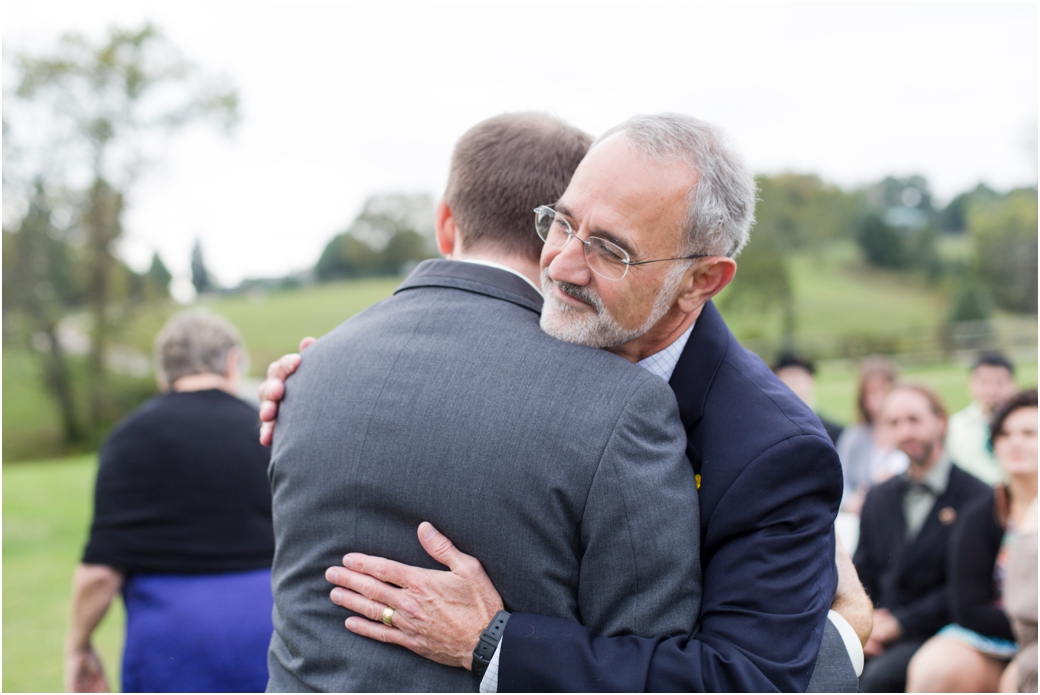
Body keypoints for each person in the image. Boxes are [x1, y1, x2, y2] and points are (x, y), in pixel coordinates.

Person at [264, 113, 870, 691]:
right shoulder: (572, 329)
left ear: (700, 281)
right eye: (561, 221)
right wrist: (317, 375)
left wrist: (492, 642)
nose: (560, 264)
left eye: (611, 250)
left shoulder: (773, 451)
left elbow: (744, 683)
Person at [65, 311, 274, 693]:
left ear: (164, 373)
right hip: (272, 639)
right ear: (232, 363)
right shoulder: (272, 431)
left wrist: (77, 648)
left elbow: (100, 574)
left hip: (169, 654)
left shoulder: (128, 438)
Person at [853, 383, 990, 692]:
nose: (905, 432)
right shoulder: (878, 496)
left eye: (914, 420)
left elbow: (966, 587)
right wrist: (866, 624)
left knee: (876, 681)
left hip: (942, 633)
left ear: (940, 422)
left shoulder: (978, 498)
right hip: (877, 628)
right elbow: (862, 570)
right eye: (894, 423)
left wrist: (899, 625)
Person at [906, 388, 1038, 692]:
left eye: (1029, 433)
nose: (1015, 441)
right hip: (993, 634)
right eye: (1005, 434)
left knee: (1020, 682)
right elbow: (969, 605)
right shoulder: (980, 514)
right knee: (934, 668)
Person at [835, 355, 907, 515]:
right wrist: (851, 502)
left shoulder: (909, 432)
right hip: (863, 516)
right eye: (872, 393)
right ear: (863, 399)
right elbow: (840, 480)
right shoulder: (853, 436)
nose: (879, 399)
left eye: (884, 391)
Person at [947, 352, 1018, 486]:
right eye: (983, 382)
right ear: (971, 384)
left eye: (999, 382)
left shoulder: (1029, 425)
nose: (991, 390)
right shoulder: (954, 426)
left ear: (1013, 384)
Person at [773, 353, 843, 444]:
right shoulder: (770, 431)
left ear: (811, 380)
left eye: (795, 379)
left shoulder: (837, 433)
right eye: (785, 379)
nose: (791, 386)